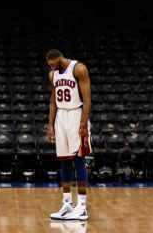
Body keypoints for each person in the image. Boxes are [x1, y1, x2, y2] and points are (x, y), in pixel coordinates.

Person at [46, 49, 92, 221]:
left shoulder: (78, 68)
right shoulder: (53, 75)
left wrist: (83, 123)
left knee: (78, 158)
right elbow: (52, 102)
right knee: (64, 159)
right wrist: (50, 125)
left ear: (59, 60)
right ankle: (67, 203)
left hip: (75, 114)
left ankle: (81, 206)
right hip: (61, 117)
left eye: (52, 64)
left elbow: (87, 100)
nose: (51, 68)